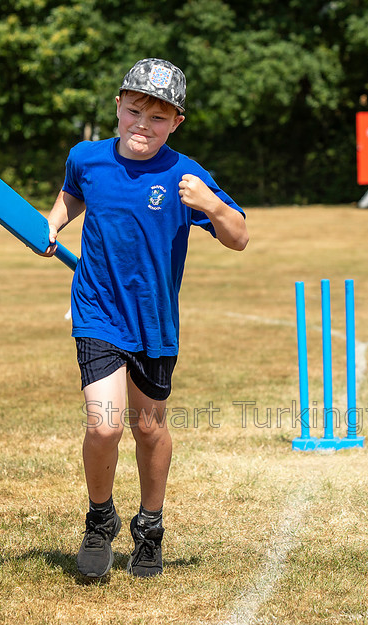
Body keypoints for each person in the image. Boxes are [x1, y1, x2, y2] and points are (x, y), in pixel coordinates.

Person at [41, 58, 249, 578]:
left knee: (149, 427)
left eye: (157, 119)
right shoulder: (86, 158)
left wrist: (212, 206)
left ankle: (150, 527)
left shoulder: (185, 174)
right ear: (117, 106)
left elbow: (240, 236)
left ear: (176, 122)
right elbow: (73, 193)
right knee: (105, 425)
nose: (142, 125)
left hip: (154, 321)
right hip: (97, 310)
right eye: (134, 111)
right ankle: (98, 520)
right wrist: (54, 221)